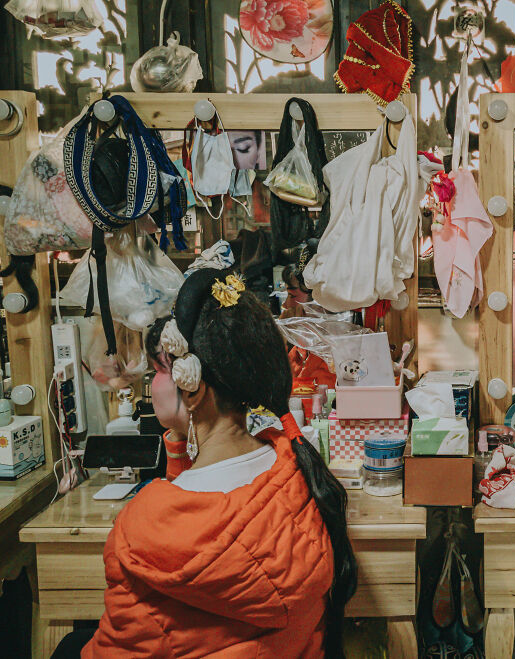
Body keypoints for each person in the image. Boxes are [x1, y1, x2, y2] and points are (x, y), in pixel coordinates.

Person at [60, 268, 357, 658]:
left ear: (195, 387)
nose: (153, 383)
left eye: (160, 370)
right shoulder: (297, 473)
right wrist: (182, 447)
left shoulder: (141, 531)